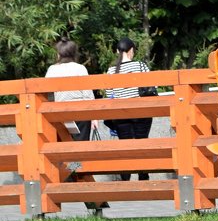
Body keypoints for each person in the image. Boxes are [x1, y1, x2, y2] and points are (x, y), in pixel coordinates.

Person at [105, 36, 152, 180]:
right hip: (141, 112)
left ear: (117, 51)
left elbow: (109, 94)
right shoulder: (140, 66)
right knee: (141, 143)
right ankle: (143, 175)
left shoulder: (112, 70)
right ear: (131, 50)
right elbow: (152, 86)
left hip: (120, 114)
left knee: (125, 146)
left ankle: (125, 176)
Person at [45, 39, 94, 142]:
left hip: (60, 113)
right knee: (82, 146)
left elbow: (49, 95)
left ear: (59, 54)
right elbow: (88, 94)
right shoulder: (80, 68)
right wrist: (94, 116)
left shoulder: (52, 70)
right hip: (81, 112)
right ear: (74, 53)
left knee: (62, 146)